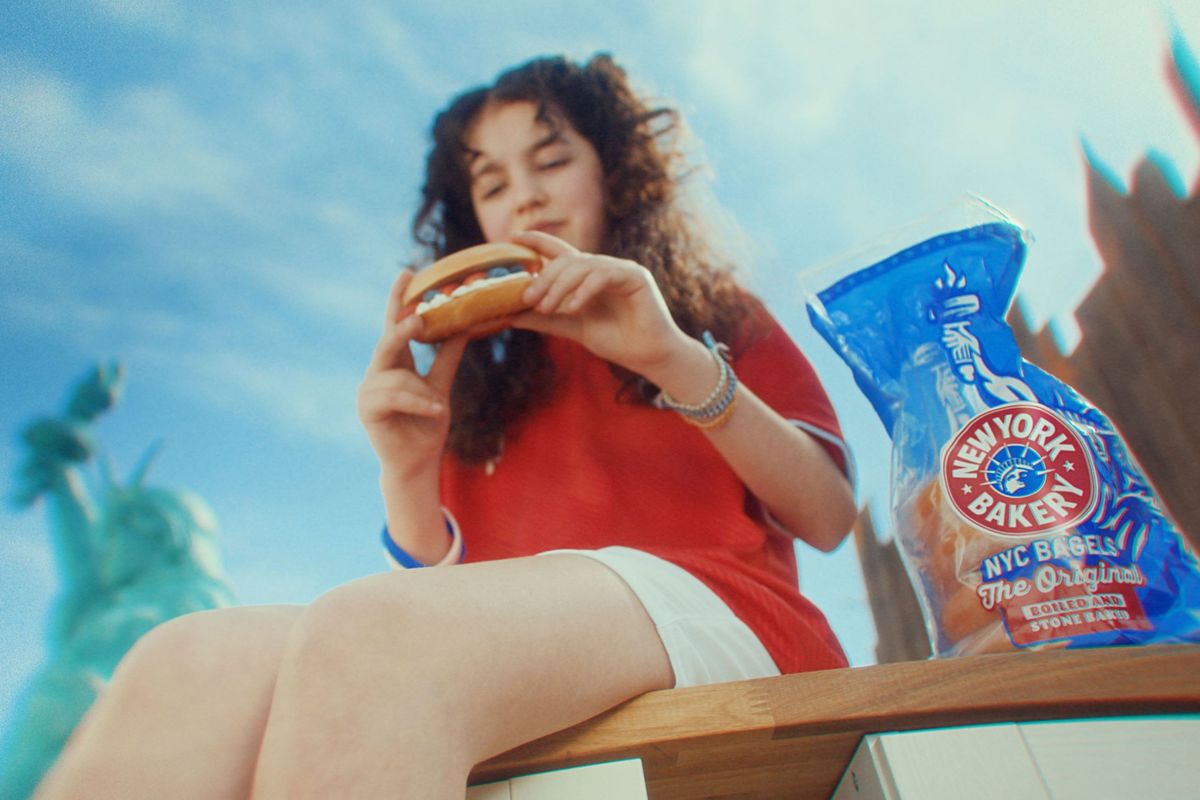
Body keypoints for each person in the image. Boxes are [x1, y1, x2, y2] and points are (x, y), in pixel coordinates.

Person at [34, 54, 855, 800]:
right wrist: (407, 471)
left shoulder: (706, 316)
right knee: (184, 663)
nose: (525, 195)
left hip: (727, 616)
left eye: (552, 160)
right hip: (510, 657)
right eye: (492, 184)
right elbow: (441, 593)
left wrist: (674, 360)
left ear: (615, 171)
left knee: (369, 633)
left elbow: (827, 515)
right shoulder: (476, 377)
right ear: (473, 220)